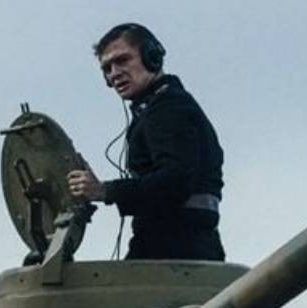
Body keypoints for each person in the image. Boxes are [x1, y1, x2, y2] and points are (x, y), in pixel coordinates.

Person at [66, 24, 226, 261]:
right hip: (172, 245)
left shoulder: (168, 108)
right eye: (107, 68)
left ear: (152, 57)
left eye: (122, 60)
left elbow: (176, 180)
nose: (114, 73)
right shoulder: (157, 108)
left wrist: (104, 190)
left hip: (176, 251)